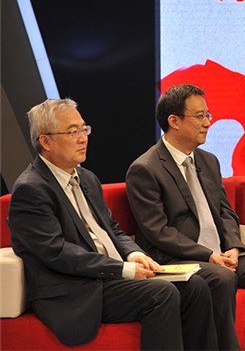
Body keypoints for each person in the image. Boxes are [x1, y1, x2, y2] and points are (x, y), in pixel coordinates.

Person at [8, 99, 217, 350]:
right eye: (72, 132)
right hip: (77, 287)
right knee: (162, 294)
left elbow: (111, 228)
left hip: (109, 275)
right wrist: (123, 269)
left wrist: (134, 254)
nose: (83, 138)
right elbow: (56, 252)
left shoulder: (87, 178)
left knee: (196, 286)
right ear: (46, 141)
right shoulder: (31, 189)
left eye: (84, 129)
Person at [125, 84, 245, 351]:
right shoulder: (145, 168)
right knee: (222, 278)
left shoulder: (208, 160)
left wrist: (233, 247)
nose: (208, 123)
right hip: (176, 260)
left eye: (208, 115)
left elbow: (225, 212)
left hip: (219, 255)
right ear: (174, 121)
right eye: (200, 116)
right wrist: (207, 255)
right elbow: (158, 231)